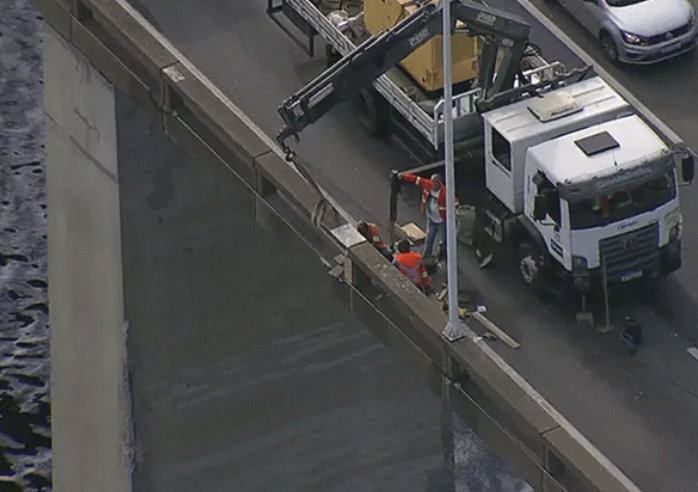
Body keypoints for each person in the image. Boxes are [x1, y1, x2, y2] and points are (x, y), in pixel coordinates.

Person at [397, 171, 456, 261]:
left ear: (439, 183)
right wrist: (404, 176)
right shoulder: (427, 184)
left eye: (435, 183)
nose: (433, 185)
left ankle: (445, 257)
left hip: (442, 221)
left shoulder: (445, 193)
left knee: (444, 241)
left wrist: (455, 207)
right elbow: (416, 179)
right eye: (432, 182)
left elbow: (455, 201)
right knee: (429, 238)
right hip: (432, 219)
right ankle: (426, 256)